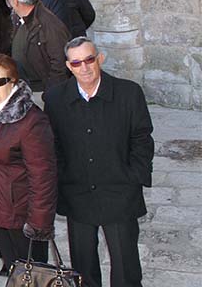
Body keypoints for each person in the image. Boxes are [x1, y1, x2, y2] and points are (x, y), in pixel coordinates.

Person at [44, 37, 153, 287]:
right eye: (77, 62)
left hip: (119, 192)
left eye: (89, 59)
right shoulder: (55, 99)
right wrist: (63, 177)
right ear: (68, 66)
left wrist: (134, 175)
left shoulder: (128, 93)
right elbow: (53, 144)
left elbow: (142, 138)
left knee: (126, 267)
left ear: (100, 59)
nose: (84, 67)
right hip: (78, 193)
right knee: (83, 269)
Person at [0, 54, 57, 276]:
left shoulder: (30, 120)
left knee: (33, 275)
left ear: (13, 82)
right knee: (14, 271)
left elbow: (43, 175)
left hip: (22, 216)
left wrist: (39, 224)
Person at [7, 0, 70, 101]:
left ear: (15, 1)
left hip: (42, 92)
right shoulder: (19, 18)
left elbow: (59, 61)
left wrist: (50, 93)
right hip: (26, 87)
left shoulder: (48, 23)